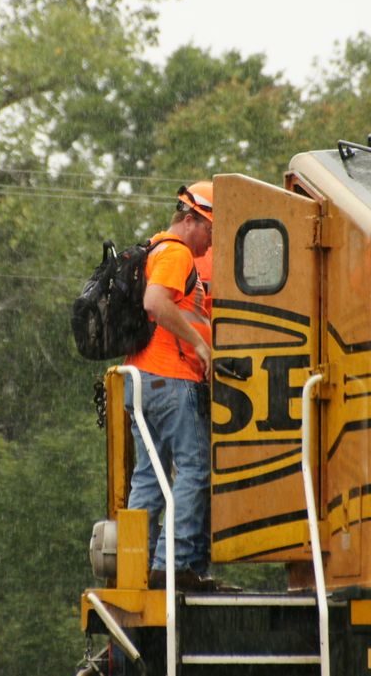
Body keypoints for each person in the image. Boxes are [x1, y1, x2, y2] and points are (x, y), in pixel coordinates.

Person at [123, 182, 231, 593]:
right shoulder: (177, 252)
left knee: (149, 478)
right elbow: (155, 302)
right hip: (171, 380)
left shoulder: (153, 249)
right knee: (195, 470)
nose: (210, 242)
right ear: (190, 220)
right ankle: (174, 566)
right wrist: (201, 344)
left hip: (142, 381)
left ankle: (135, 569)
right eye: (210, 232)